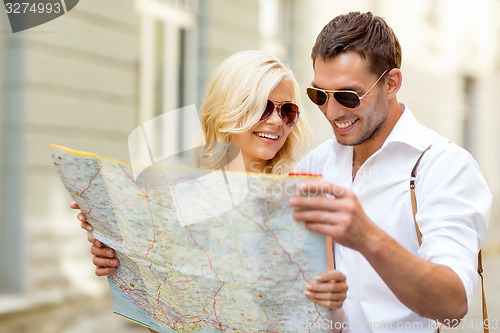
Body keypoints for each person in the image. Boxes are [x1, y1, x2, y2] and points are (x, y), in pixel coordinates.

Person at [71, 50, 348, 332]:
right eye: (262, 107)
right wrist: (116, 255)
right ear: (227, 110)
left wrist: (335, 303)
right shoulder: (181, 203)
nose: (277, 121)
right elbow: (165, 316)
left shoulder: (305, 199)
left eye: (287, 110)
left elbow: (333, 324)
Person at [289, 11, 491, 332]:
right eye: (319, 95)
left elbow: (453, 307)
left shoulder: (444, 166)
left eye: (347, 96)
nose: (332, 111)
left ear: (391, 84)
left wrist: (367, 237)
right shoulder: (317, 165)